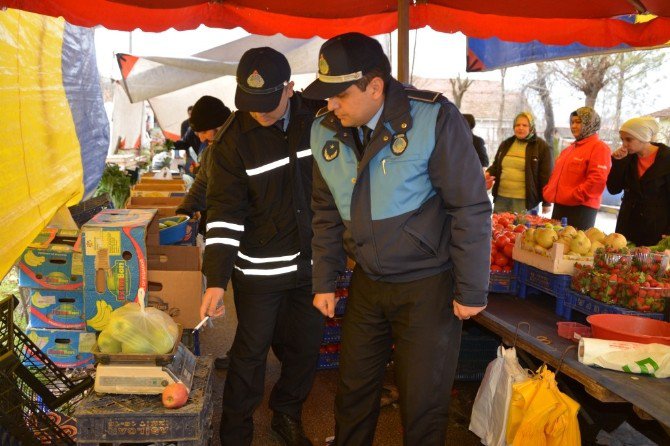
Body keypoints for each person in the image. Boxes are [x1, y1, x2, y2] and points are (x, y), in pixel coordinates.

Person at [303, 33, 492, 446]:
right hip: (368, 282)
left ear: (375, 86)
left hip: (428, 286)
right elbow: (325, 211)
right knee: (352, 390)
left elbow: (470, 207)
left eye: (340, 95)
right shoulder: (324, 130)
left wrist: (472, 287)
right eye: (326, 96)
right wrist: (324, 280)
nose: (330, 105)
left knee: (423, 400)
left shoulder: (434, 118)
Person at [199, 47, 326, 446]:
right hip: (259, 271)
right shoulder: (231, 142)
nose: (259, 113)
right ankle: (235, 431)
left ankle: (286, 414)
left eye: (268, 103)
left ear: (290, 88)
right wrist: (216, 280)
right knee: (249, 355)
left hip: (312, 265)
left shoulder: (321, 118)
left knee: (304, 350)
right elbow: (223, 214)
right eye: (250, 104)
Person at [543, 107, 611, 230]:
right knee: (554, 245)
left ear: (590, 123)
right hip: (561, 205)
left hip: (581, 209)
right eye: (572, 122)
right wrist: (549, 191)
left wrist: (574, 196)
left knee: (571, 247)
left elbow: (597, 180)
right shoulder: (569, 149)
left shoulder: (599, 148)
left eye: (579, 122)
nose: (573, 126)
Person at [607, 116, 670, 246]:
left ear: (643, 137)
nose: (624, 144)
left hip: (656, 229)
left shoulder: (667, 159)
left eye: (629, 139)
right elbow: (613, 189)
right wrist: (618, 163)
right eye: (622, 139)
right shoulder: (627, 158)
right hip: (628, 227)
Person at [485, 112, 553, 214]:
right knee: (498, 229)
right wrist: (488, 173)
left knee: (523, 230)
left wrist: (546, 202)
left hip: (525, 201)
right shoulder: (506, 144)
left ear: (531, 127)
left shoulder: (541, 146)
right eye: (517, 125)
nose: (520, 128)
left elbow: (546, 176)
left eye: (524, 125)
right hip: (501, 198)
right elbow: (496, 165)